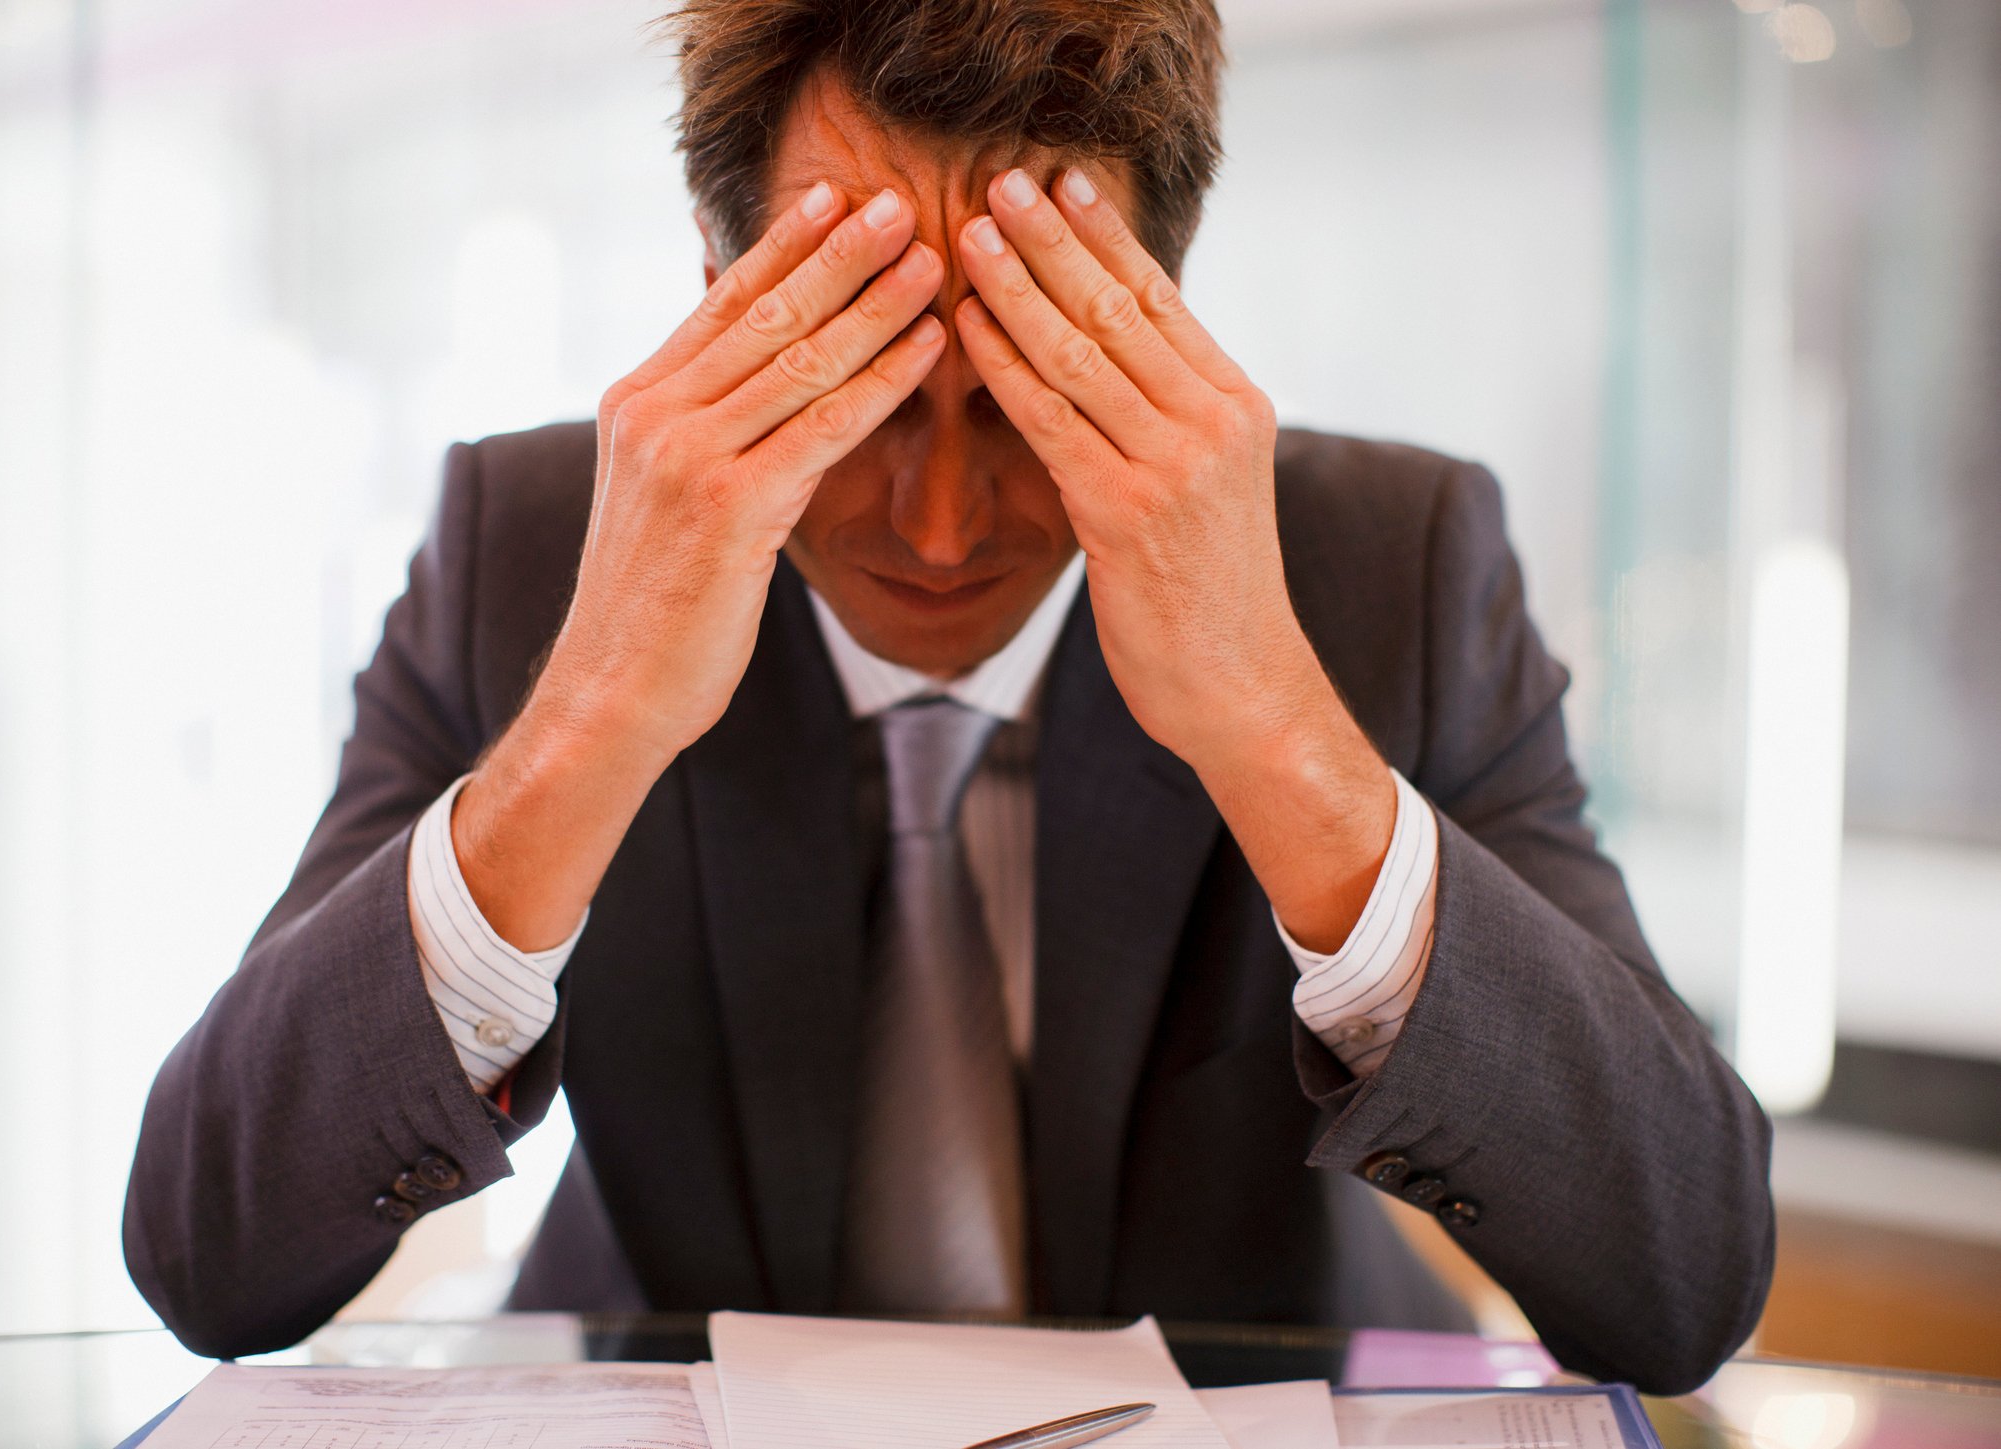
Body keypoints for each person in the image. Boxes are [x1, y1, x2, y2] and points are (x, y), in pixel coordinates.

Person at [123, 0, 1774, 1393]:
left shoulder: (1384, 566)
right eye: (863, 385)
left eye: (1023, 398)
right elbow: (210, 1252)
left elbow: (1684, 1273)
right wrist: (594, 719)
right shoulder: (530, 549)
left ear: (1158, 312)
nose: (935, 525)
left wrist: (1271, 724)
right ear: (716, 286)